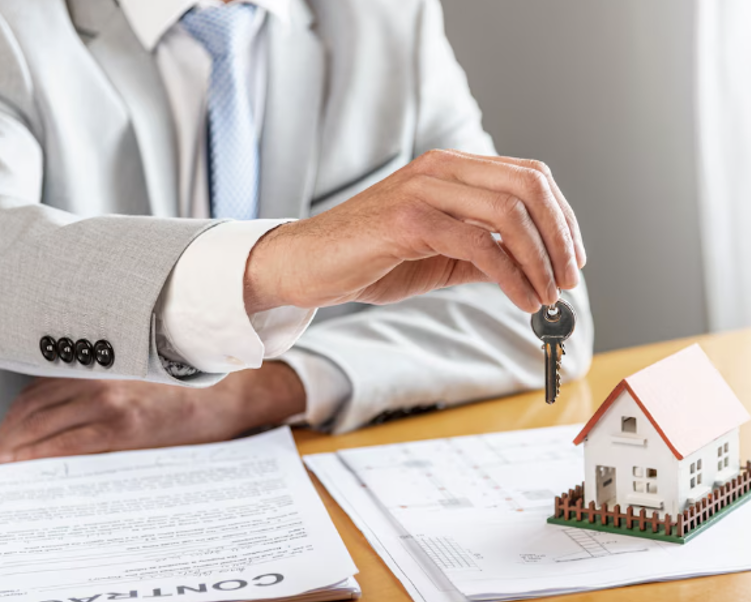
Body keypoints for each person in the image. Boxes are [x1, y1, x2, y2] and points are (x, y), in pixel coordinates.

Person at [0, 0, 593, 463]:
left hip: (306, 481)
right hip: (52, 481)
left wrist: (257, 391)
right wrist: (276, 265)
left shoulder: (391, 20)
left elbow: (539, 315)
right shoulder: (17, 27)